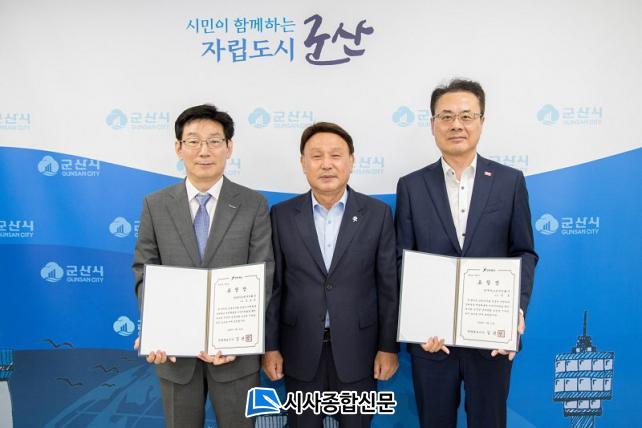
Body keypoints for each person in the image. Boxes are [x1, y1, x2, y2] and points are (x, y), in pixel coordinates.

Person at [395, 79, 538, 428]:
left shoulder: (509, 181)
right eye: (446, 116)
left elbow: (523, 251)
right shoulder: (412, 185)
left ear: (482, 122)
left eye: (466, 116)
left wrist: (514, 311)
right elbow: (402, 259)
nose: (456, 124)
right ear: (433, 124)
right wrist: (418, 320)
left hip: (491, 337)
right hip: (432, 340)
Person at [132, 104, 274, 428]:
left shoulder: (253, 204)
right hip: (174, 355)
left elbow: (263, 273)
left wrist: (238, 339)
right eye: (193, 141)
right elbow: (144, 270)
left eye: (214, 141)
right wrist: (156, 328)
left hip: (235, 357)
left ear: (229, 147)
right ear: (178, 147)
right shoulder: (155, 205)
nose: (204, 151)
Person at [263, 122, 399, 427]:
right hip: (299, 350)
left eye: (336, 155)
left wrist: (388, 347)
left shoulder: (377, 214)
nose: (326, 164)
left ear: (351, 160)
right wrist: (270, 346)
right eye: (316, 156)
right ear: (303, 163)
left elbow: (389, 288)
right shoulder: (282, 215)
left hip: (359, 352)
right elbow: (274, 287)